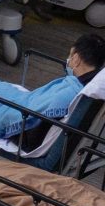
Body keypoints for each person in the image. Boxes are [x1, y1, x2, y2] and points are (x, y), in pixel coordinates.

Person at [17, 33, 105, 172]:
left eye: (70, 56)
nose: (68, 61)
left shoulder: (69, 94)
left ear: (76, 59)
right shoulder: (92, 90)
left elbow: (30, 137)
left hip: (26, 134)